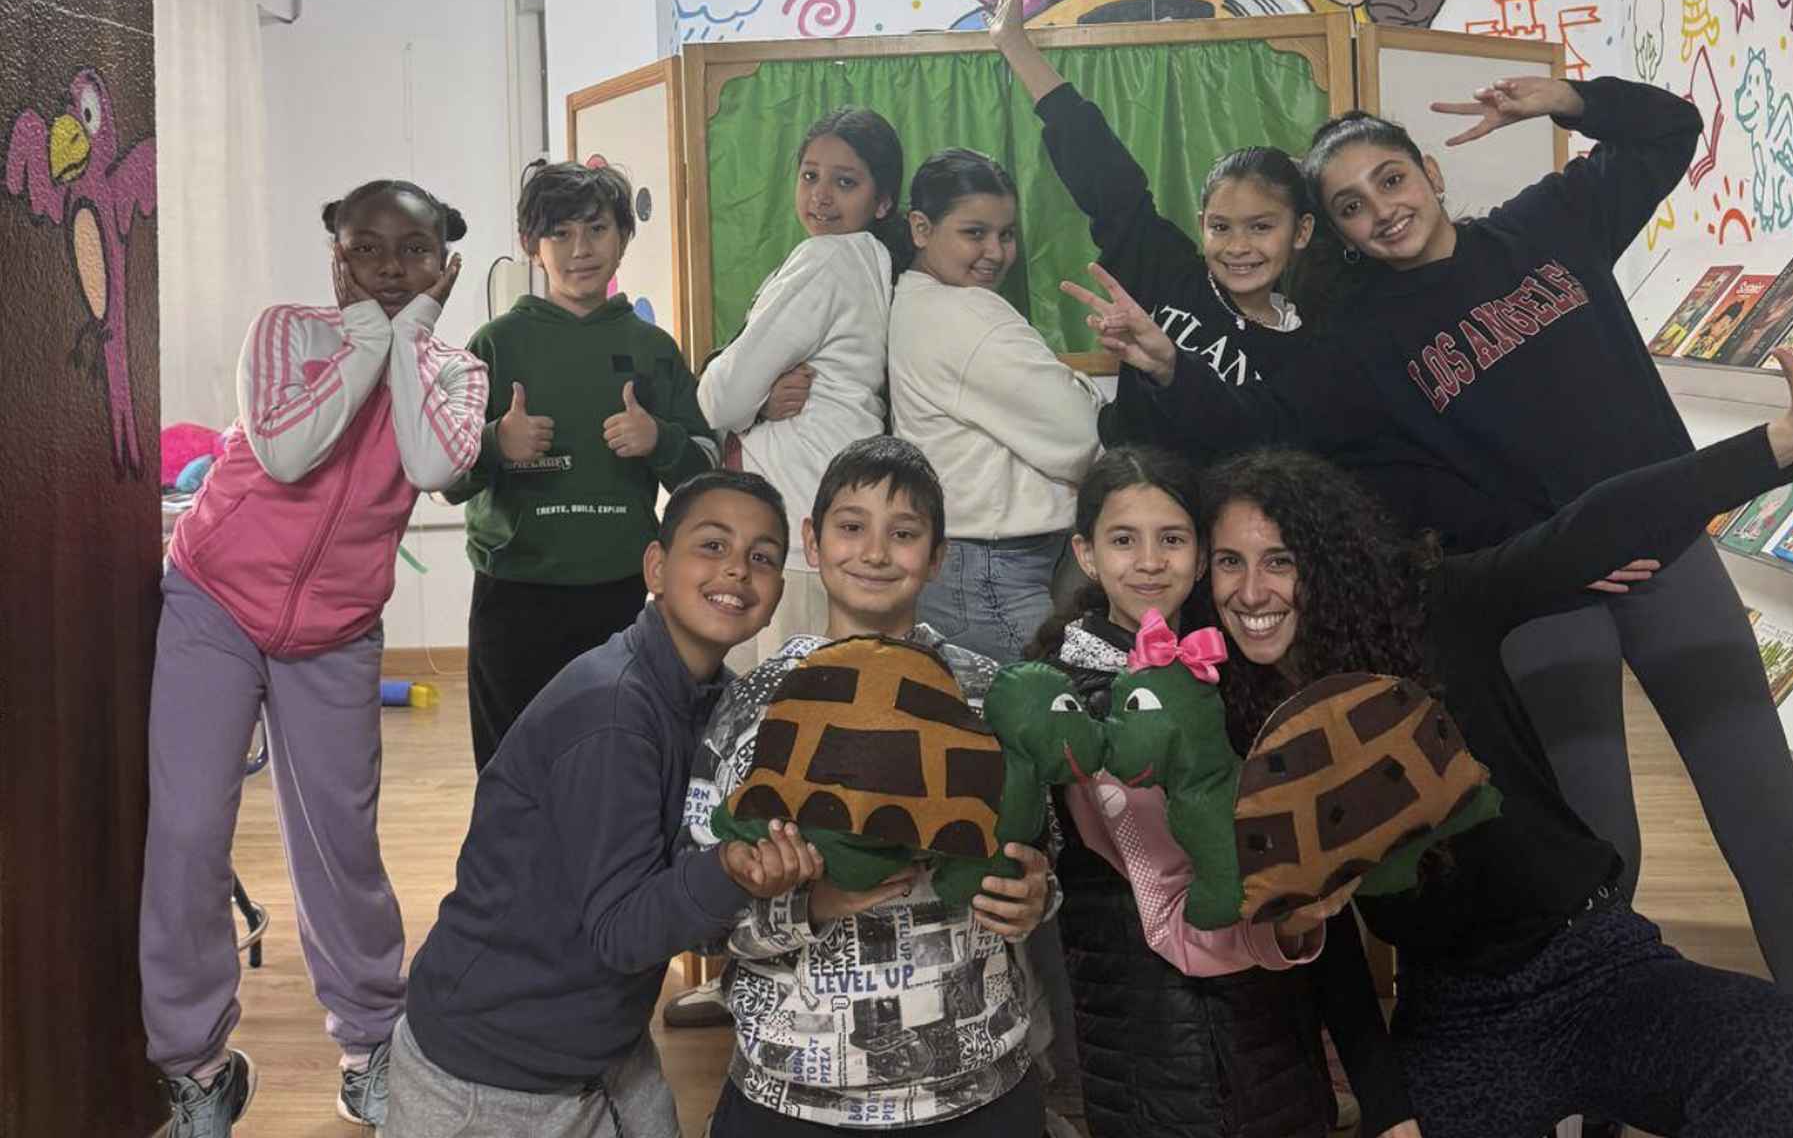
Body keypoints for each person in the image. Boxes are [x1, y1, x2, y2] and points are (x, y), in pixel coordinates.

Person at [1088, 71, 1793, 1004]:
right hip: (1547, 598)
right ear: (1335, 231)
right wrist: (1167, 368)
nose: (1381, 213)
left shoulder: (1549, 223)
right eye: (1349, 206)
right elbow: (1263, 424)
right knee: (1601, 848)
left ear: (1429, 172)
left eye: (1391, 181)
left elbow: (1671, 132)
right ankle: (1607, 1044)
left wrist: (1567, 100)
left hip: (1672, 560)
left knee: (1769, 826)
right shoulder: (1358, 341)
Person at [143, 179, 485, 1135]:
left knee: (339, 850)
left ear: (442, 265)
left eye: (411, 251)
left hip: (335, 632)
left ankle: (371, 1044)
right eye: (365, 248)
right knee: (186, 836)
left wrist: (407, 339)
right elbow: (288, 456)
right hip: (213, 599)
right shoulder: (286, 332)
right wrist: (366, 338)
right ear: (336, 255)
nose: (386, 267)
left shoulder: (456, 371)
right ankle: (197, 1066)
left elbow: (429, 463)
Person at [387, 471, 821, 1136]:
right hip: (488, 1075)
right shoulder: (613, 712)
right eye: (711, 545)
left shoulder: (721, 705)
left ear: (775, 595)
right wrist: (733, 869)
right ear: (656, 566)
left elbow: (686, 900)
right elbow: (624, 931)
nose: (736, 567)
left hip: (604, 1049)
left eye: (761, 556)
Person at [1026, 446, 1416, 1138]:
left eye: (1171, 539)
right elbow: (1181, 912)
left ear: (1200, 558)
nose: (1150, 562)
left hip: (1268, 1044)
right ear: (1086, 554)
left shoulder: (1228, 674)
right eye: (1123, 540)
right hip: (1170, 1057)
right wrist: (1294, 930)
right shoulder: (1080, 707)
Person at [681, 436, 1056, 1135]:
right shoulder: (751, 703)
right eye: (852, 527)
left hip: (977, 1091)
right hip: (792, 1098)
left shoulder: (990, 695)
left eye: (905, 533)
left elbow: (1042, 852)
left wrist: (1036, 895)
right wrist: (811, 904)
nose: (877, 553)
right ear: (813, 543)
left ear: (938, 555)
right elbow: (697, 907)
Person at [446, 159, 719, 772]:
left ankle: (605, 870)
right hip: (514, 595)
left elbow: (705, 477)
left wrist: (660, 439)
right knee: (511, 764)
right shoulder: (495, 343)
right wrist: (496, 443)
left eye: (596, 230)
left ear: (623, 235)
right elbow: (446, 480)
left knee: (609, 761)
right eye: (560, 233)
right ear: (530, 245)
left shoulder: (653, 348)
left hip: (617, 592)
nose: (580, 250)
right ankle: (511, 873)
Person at [989, 0, 1317, 440]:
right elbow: (1105, 173)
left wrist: (1171, 367)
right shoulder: (1167, 270)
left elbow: (1263, 441)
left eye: (1261, 226)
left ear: (1300, 231)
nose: (1239, 247)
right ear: (1202, 225)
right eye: (1221, 227)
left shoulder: (1313, 338)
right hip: (1132, 491)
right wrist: (1015, 47)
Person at [698, 108, 909, 661]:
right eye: (810, 175)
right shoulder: (875, 259)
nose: (820, 196)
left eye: (845, 182)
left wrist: (748, 401)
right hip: (835, 505)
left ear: (882, 201)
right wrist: (761, 402)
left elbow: (720, 397)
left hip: (796, 517)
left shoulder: (827, 257)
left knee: (773, 720)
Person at [887, 148, 1103, 665]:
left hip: (965, 567)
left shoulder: (915, 301)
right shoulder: (965, 311)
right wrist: (1082, 389)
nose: (995, 251)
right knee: (1052, 720)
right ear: (921, 228)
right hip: (990, 574)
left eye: (1006, 234)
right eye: (974, 232)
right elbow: (1084, 437)